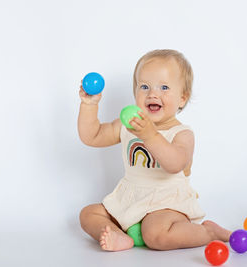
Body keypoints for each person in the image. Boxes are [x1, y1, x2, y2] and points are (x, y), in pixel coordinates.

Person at [78, 49, 231, 252]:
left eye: (164, 87)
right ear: (135, 94)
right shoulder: (128, 125)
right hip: (130, 198)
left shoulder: (182, 134)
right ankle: (115, 234)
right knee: (88, 214)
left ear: (182, 98)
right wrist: (89, 105)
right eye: (144, 86)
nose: (153, 94)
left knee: (155, 235)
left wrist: (150, 135)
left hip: (166, 202)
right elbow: (93, 136)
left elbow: (174, 164)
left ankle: (208, 232)